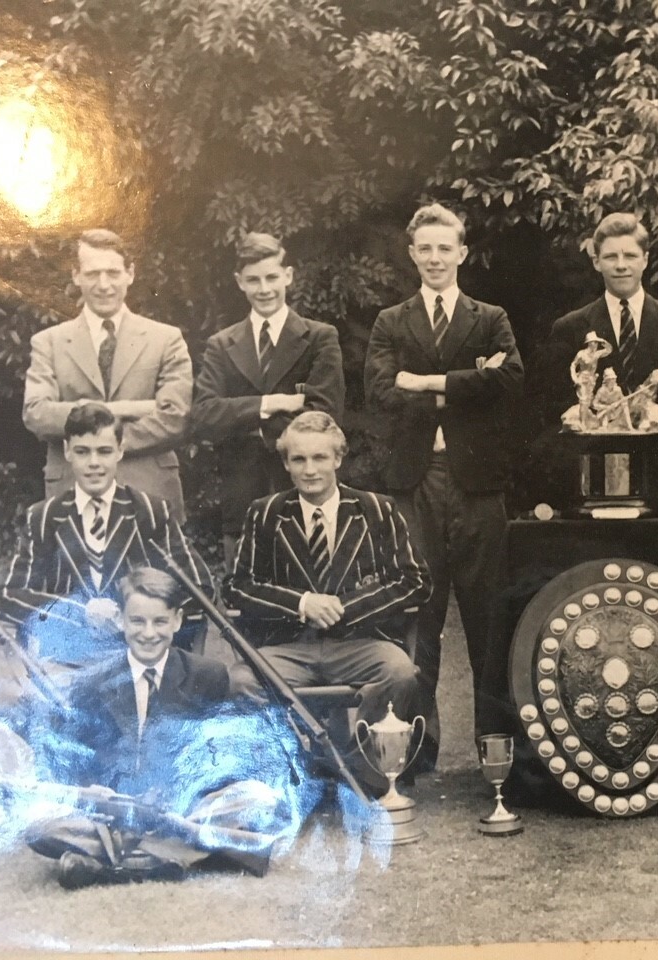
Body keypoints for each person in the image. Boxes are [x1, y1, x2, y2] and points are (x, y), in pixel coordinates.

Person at [364, 203, 523, 765]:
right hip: (414, 482)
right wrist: (465, 383)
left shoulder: (490, 316)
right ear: (412, 254)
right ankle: (412, 751)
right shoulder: (391, 321)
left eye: (444, 248)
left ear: (462, 253)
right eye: (424, 249)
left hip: (476, 483)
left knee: (488, 617)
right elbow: (381, 390)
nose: (434, 258)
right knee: (417, 615)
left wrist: (427, 382)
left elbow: (507, 381)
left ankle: (496, 753)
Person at [28, 568, 297, 888]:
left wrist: (181, 793)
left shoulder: (208, 675)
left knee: (262, 799)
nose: (148, 633)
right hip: (116, 812)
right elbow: (77, 762)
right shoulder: (94, 682)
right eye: (137, 621)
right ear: (122, 621)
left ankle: (120, 864)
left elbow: (224, 760)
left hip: (182, 808)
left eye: (159, 622)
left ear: (178, 621)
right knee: (37, 822)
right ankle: (178, 854)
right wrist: (101, 792)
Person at [225, 411, 431, 790]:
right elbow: (237, 587)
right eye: (299, 459)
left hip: (361, 642)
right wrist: (301, 603)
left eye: (320, 458)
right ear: (286, 464)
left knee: (400, 672)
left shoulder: (376, 509)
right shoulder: (266, 513)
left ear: (338, 459)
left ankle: (359, 770)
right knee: (240, 681)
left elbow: (415, 581)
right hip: (289, 647)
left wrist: (345, 607)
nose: (310, 470)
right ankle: (289, 771)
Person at [0, 403, 215, 662]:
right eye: (82, 452)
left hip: (139, 657)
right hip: (68, 658)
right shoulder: (44, 517)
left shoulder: (149, 511)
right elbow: (9, 595)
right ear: (67, 451)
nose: (94, 463)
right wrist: (79, 611)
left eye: (104, 451)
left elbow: (200, 587)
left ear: (120, 451)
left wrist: (131, 612)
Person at [192, 233, 345, 568]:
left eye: (272, 277)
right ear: (239, 283)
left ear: (287, 276)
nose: (264, 289)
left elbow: (325, 415)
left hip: (307, 490)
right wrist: (272, 403)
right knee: (246, 601)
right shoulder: (221, 344)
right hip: (242, 493)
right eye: (253, 280)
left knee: (313, 597)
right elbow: (204, 415)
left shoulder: (320, 337)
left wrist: (249, 425)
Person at [543, 212, 658, 507]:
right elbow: (550, 411)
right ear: (596, 262)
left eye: (630, 255)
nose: (621, 265)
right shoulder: (569, 328)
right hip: (592, 484)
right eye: (610, 257)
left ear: (645, 259)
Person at [22, 229, 192, 516]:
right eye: (92, 274)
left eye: (113, 273)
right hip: (71, 495)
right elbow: (37, 414)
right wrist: (124, 409)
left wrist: (92, 436)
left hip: (149, 493)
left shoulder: (166, 339)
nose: (104, 285)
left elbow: (175, 417)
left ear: (130, 273)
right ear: (76, 275)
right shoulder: (48, 342)